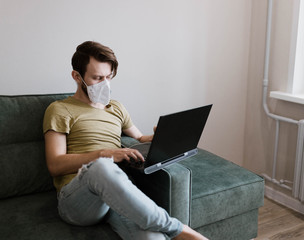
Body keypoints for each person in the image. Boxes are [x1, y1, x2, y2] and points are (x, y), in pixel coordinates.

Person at [43, 41, 208, 240]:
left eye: (108, 77)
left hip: (115, 194)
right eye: (97, 78)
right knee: (100, 166)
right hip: (78, 199)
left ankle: (168, 232)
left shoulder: (116, 108)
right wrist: (104, 154)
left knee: (152, 238)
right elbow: (55, 164)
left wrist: (161, 138)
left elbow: (139, 138)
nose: (105, 83)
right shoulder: (59, 109)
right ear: (77, 76)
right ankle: (177, 229)